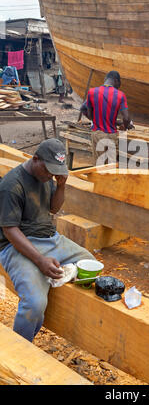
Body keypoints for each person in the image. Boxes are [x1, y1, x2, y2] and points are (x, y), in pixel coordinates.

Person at [0, 138, 95, 343]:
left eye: (55, 170)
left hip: (49, 238)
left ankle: (49, 277)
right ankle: (21, 352)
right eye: (48, 169)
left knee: (90, 264)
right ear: (35, 159)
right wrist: (40, 261)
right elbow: (9, 230)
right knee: (34, 303)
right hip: (17, 244)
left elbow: (53, 209)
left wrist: (61, 186)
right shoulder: (11, 185)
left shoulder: (46, 177)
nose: (51, 174)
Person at [80, 70, 133, 165]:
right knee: (111, 166)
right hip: (112, 135)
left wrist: (94, 120)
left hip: (97, 134)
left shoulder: (92, 92)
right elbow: (126, 117)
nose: (119, 86)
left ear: (105, 79)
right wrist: (125, 126)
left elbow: (83, 109)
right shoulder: (120, 95)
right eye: (119, 84)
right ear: (116, 81)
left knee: (99, 166)